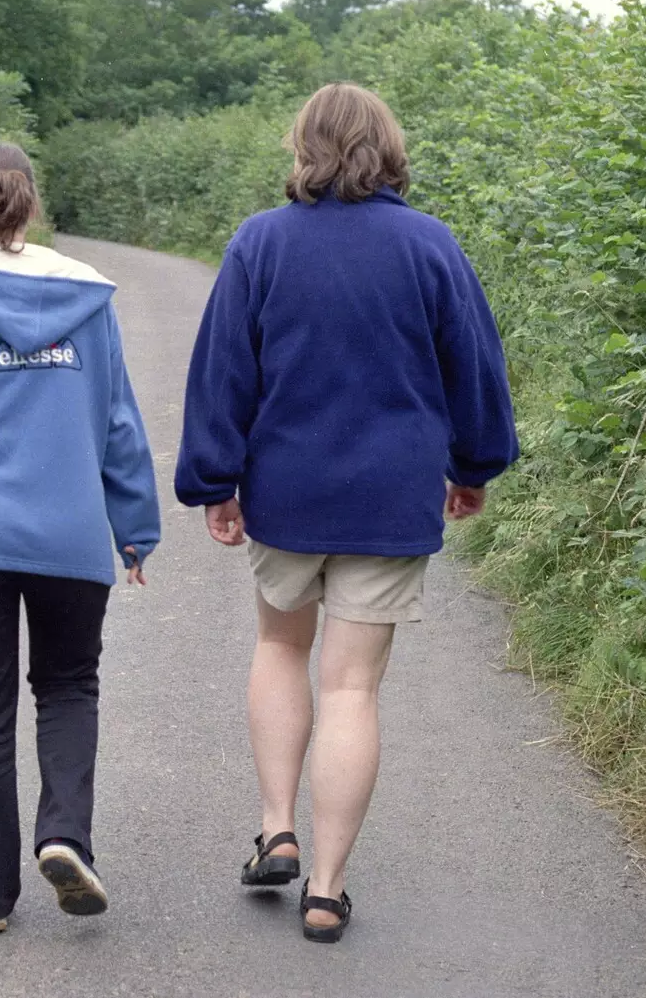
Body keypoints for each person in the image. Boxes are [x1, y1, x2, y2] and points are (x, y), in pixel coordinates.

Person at [174, 84, 519, 944]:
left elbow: (224, 371)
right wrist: (473, 466)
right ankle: (325, 889)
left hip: (285, 493)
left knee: (280, 646)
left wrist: (216, 479)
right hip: (390, 494)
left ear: (304, 148)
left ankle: (277, 827)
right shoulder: (430, 244)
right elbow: (475, 367)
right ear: (389, 149)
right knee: (353, 685)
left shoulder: (260, 242)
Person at [0, 143, 160, 934]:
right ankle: (64, 836)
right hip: (70, 526)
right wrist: (135, 525)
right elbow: (117, 417)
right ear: (32, 205)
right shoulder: (87, 296)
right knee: (69, 684)